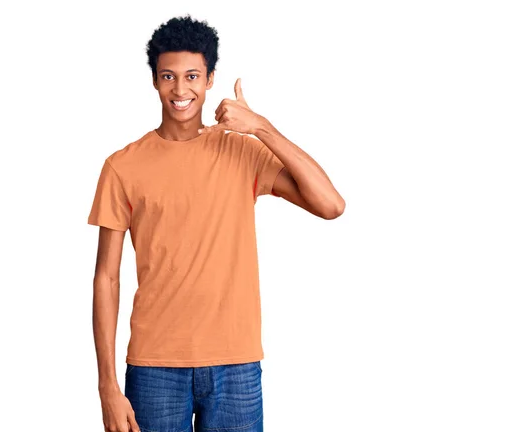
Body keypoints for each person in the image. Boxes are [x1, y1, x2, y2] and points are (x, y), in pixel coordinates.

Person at [88, 14, 345, 432]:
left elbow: (331, 204)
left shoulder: (242, 153)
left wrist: (261, 127)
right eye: (168, 76)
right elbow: (106, 279)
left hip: (236, 365)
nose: (180, 89)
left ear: (209, 80)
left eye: (192, 75)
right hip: (155, 367)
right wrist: (106, 386)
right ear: (154, 80)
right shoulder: (122, 166)